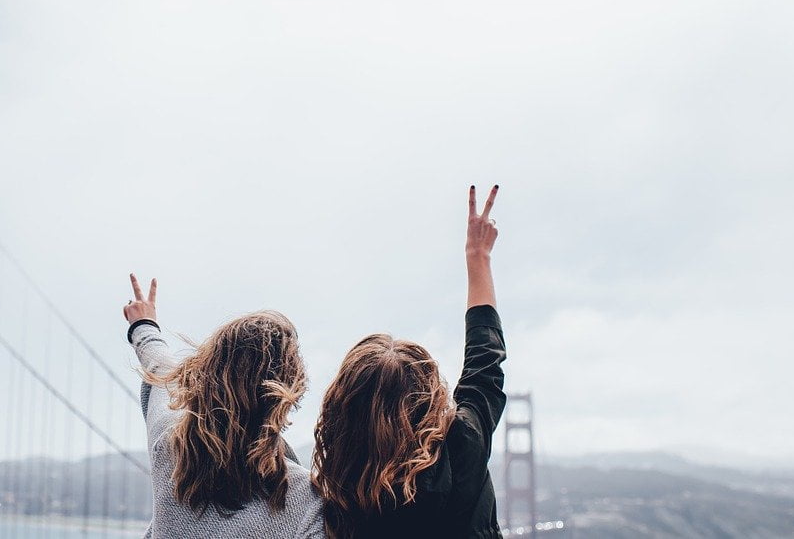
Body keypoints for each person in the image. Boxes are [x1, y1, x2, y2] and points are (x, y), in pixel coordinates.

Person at [311, 184, 507, 539]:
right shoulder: (463, 445)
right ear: (429, 396)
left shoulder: (339, 489)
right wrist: (478, 256)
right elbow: (485, 365)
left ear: (343, 411)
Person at [122, 274, 325, 539]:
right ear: (289, 391)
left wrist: (144, 324)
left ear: (206, 372)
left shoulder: (168, 443)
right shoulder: (309, 501)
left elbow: (160, 366)